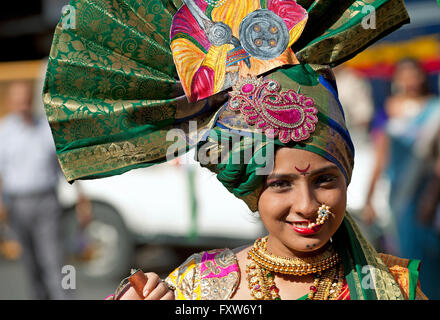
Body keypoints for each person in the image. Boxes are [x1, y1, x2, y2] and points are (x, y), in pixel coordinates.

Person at [42, 0, 424, 300]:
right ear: (252, 189)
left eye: (325, 180)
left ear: (348, 177)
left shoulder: (399, 287)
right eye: (280, 184)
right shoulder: (199, 288)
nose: (308, 206)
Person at [0, 80, 91, 299]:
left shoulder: (46, 128)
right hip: (18, 204)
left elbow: (65, 167)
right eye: (18, 100)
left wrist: (81, 198)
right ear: (11, 102)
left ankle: (65, 296)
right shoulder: (4, 131)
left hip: (46, 202)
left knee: (55, 260)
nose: (23, 104)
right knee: (31, 263)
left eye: (26, 99)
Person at [363, 58, 440, 299]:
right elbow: (380, 156)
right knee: (401, 254)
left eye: (413, 74)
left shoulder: (435, 109)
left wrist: (431, 197)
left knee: (428, 253)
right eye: (403, 75)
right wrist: (369, 197)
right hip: (397, 195)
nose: (409, 80)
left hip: (425, 193)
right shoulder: (389, 108)